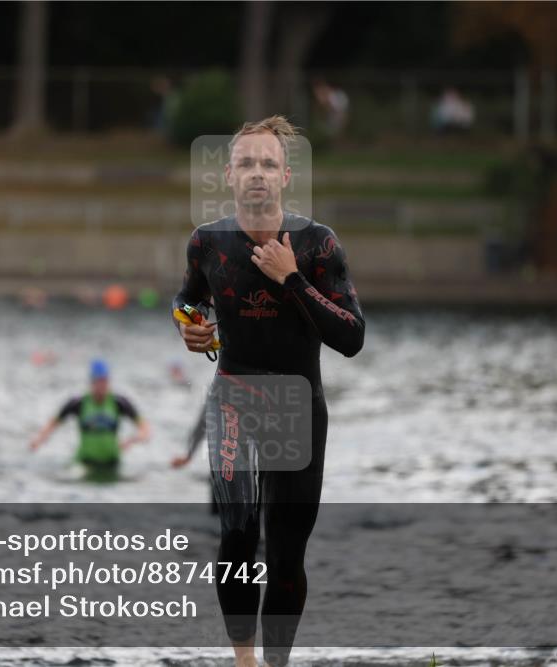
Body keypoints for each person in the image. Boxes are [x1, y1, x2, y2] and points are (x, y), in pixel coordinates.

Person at [173, 116, 364, 667]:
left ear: (285, 177)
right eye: (247, 163)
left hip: (299, 406)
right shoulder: (207, 243)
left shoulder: (317, 245)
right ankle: (244, 662)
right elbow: (188, 302)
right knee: (236, 533)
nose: (258, 173)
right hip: (233, 395)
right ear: (229, 174)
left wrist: (293, 278)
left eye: (269, 164)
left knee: (285, 552)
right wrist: (189, 327)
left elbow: (352, 338)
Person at [29, 359, 150, 482]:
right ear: (92, 382)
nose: (103, 386)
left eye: (105, 381)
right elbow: (54, 422)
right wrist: (38, 441)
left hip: (111, 462)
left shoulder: (120, 402)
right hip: (85, 462)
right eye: (100, 381)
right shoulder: (78, 403)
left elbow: (143, 425)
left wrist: (137, 437)